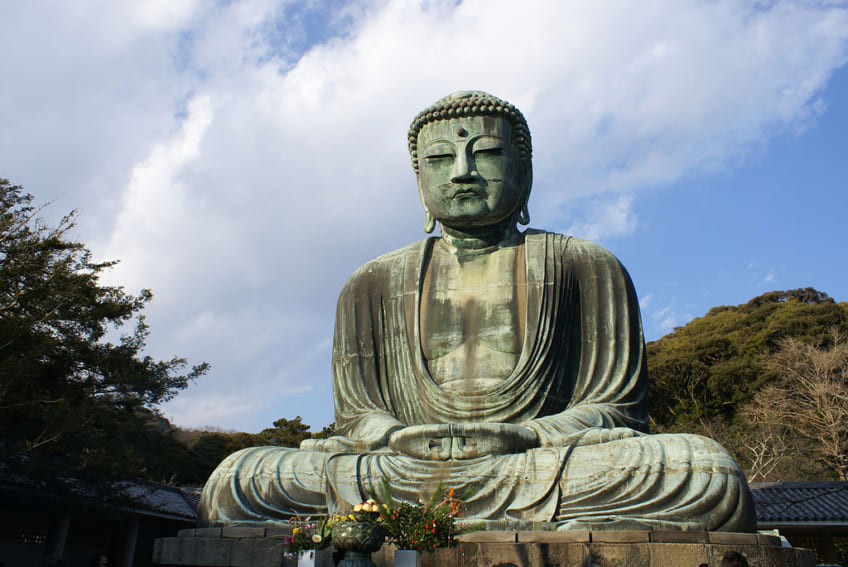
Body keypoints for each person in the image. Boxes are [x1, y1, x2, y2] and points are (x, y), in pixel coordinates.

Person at [199, 91, 755, 531]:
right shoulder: (370, 283)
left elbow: (615, 410)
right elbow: (357, 418)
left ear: (525, 171)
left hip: (537, 462)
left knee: (703, 473)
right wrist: (396, 437)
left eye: (485, 153)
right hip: (402, 467)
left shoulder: (586, 266)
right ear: (420, 182)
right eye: (440, 158)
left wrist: (527, 437)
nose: (462, 170)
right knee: (236, 480)